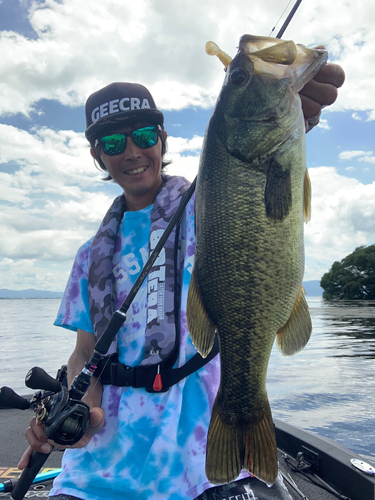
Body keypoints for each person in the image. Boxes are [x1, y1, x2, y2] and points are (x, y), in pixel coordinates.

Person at [18, 60, 345, 500]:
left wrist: (294, 114)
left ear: (162, 140)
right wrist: (79, 410)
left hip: (199, 462)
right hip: (98, 472)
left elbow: (256, 180)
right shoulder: (88, 256)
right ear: (98, 155)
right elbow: (84, 352)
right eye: (113, 142)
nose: (132, 152)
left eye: (145, 136)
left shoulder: (208, 208)